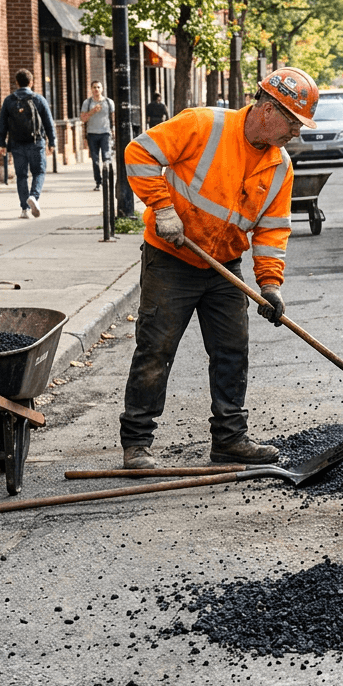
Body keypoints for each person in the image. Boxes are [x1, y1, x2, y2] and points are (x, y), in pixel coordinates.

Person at [117, 66, 318, 470]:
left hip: (224, 264)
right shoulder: (203, 124)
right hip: (171, 259)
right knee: (156, 347)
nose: (295, 133)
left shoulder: (280, 167)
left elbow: (272, 230)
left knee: (231, 351)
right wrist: (163, 207)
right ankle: (137, 443)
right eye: (293, 122)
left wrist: (270, 285)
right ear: (267, 109)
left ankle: (230, 439)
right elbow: (138, 153)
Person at [0, 69, 56, 219]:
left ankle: (24, 209)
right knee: (39, 172)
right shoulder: (39, 99)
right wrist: (52, 141)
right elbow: (49, 123)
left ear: (16, 83)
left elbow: (2, 123)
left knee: (21, 176)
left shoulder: (9, 100)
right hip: (36, 142)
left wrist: (2, 143)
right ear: (32, 82)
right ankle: (34, 196)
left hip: (16, 144)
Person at [79, 81, 115, 192]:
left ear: (102, 89)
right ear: (91, 89)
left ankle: (107, 180)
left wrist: (114, 131)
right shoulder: (87, 103)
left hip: (105, 133)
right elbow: (83, 119)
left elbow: (113, 118)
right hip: (92, 134)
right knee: (95, 160)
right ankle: (98, 182)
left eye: (98, 87)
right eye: (94, 87)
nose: (96, 89)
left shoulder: (109, 102)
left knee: (106, 158)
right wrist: (92, 111)